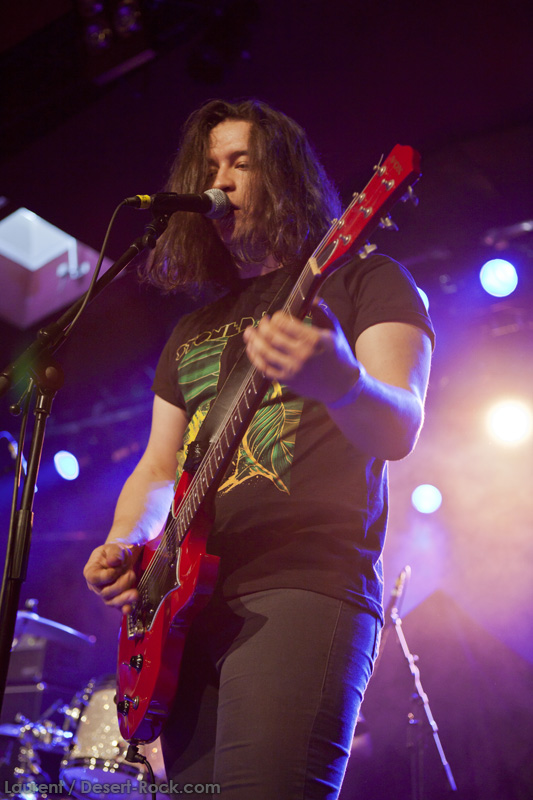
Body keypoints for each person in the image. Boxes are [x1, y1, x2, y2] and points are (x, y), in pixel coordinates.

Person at [83, 99, 434, 799]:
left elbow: (400, 428)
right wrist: (127, 542)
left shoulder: (363, 280)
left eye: (240, 163)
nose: (220, 180)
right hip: (182, 613)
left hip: (302, 584)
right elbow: (159, 466)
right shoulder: (190, 330)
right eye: (209, 167)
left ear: (285, 175)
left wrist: (340, 381)